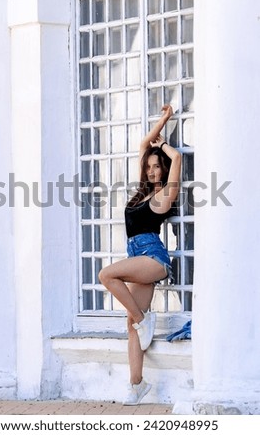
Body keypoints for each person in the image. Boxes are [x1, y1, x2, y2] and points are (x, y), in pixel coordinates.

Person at [99, 104, 181, 405]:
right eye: (149, 166)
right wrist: (163, 119)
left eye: (156, 166)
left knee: (106, 275)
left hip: (154, 258)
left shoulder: (164, 195)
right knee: (130, 325)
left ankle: (142, 318)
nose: (151, 170)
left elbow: (178, 158)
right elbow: (143, 145)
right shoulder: (140, 194)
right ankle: (137, 385)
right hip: (137, 256)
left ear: (164, 169)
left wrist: (166, 148)